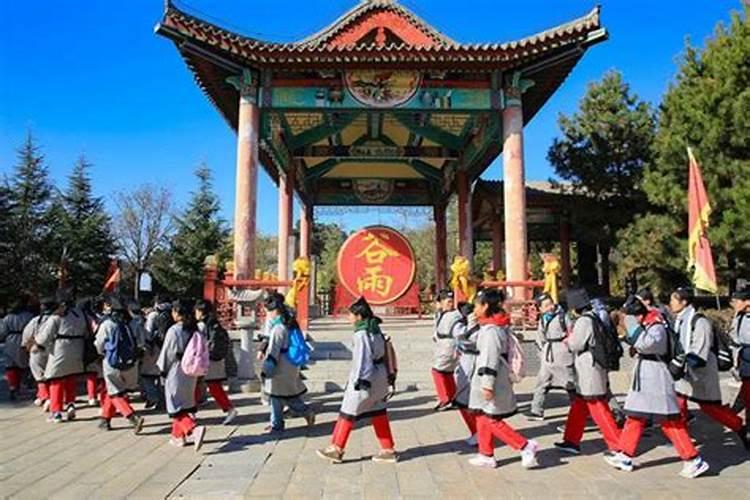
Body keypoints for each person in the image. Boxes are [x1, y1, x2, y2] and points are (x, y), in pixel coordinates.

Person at [604, 298, 709, 478]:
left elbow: (647, 345)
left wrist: (630, 326)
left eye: (630, 316)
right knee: (635, 416)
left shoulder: (657, 324)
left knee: (669, 420)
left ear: (636, 314)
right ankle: (625, 454)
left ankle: (693, 458)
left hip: (657, 377)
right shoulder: (648, 322)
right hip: (646, 377)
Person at [317, 297, 397, 464]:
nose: (349, 318)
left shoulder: (361, 334)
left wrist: (361, 381)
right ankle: (388, 449)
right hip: (381, 376)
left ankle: (337, 448)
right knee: (379, 412)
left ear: (359, 316)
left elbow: (362, 359)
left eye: (351, 314)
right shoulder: (376, 330)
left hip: (366, 378)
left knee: (347, 412)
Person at [467, 288, 539, 469]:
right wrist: (471, 323)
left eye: (476, 305)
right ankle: (486, 454)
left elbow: (489, 359)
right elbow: (471, 340)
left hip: (492, 378)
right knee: (482, 417)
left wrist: (487, 385)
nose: (474, 309)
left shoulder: (492, 330)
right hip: (490, 377)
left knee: (492, 419)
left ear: (485, 306)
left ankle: (524, 445)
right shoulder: (494, 324)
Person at [670, 287, 748, 448]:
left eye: (673, 300)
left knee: (710, 408)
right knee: (677, 405)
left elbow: (700, 351)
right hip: (685, 374)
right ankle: (682, 440)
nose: (670, 303)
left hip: (701, 373)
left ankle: (739, 426)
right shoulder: (680, 320)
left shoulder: (700, 321)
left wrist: (683, 364)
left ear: (684, 302)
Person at [555, 288, 621, 455]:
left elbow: (576, 344)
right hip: (589, 369)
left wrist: (568, 340)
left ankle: (617, 445)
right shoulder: (594, 317)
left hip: (589, 369)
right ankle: (571, 440)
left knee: (599, 408)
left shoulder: (584, 321)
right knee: (579, 406)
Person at [260, 293, 315, 433]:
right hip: (290, 363)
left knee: (281, 396)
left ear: (274, 311)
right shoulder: (289, 323)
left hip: (280, 365)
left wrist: (266, 368)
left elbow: (273, 350)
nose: (267, 314)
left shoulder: (278, 329)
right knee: (281, 395)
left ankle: (303, 412)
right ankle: (277, 423)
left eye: (268, 311)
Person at [156, 299, 206, 450]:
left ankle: (193, 429)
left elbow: (167, 353)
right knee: (184, 404)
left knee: (175, 406)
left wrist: (162, 370)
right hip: (191, 371)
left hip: (176, 369)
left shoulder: (174, 330)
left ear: (178, 313)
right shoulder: (195, 329)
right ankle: (178, 437)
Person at [95, 296, 144, 433]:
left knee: (114, 392)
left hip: (112, 362)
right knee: (116, 390)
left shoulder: (107, 324)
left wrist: (102, 354)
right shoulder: (134, 323)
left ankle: (132, 417)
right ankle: (105, 419)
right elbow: (141, 341)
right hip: (131, 363)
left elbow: (99, 343)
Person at [36, 289, 87, 423]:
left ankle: (56, 412)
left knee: (55, 380)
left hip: (60, 349)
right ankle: (70, 404)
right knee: (70, 377)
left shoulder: (56, 317)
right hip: (77, 348)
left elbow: (44, 338)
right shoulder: (79, 314)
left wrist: (37, 343)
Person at [525, 293, 575, 421]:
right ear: (540, 309)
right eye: (546, 306)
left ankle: (580, 410)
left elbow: (571, 332)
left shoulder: (563, 316)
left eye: (550, 303)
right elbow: (540, 336)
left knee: (570, 384)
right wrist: (541, 351)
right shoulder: (543, 319)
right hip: (548, 354)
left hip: (562, 353)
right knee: (541, 383)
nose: (550, 307)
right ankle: (536, 410)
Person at [195, 300, 238, 425]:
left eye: (197, 310)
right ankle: (190, 412)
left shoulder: (202, 325)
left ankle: (230, 409)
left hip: (207, 360)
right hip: (215, 359)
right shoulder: (215, 324)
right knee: (208, 386)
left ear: (201, 311)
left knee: (211, 387)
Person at [452, 301, 481, 445]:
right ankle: (477, 431)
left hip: (476, 362)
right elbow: (459, 336)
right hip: (466, 361)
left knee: (469, 400)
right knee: (464, 400)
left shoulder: (484, 325)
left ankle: (478, 432)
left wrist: (473, 324)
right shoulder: (458, 324)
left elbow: (473, 339)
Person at [22, 296, 56, 410]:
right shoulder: (59, 319)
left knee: (39, 375)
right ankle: (47, 397)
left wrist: (26, 346)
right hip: (54, 349)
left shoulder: (35, 320)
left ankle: (46, 397)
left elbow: (27, 335)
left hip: (38, 349)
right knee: (53, 375)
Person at [1, 294, 34, 400]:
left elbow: (2, 332)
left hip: (10, 341)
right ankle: (23, 384)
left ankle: (13, 386)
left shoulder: (8, 317)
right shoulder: (29, 316)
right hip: (24, 339)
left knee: (11, 365)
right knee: (23, 364)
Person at [432, 289, 461, 411]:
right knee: (447, 372)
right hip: (443, 344)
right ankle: (453, 396)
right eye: (447, 301)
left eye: (451, 301)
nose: (450, 303)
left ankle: (444, 398)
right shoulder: (441, 314)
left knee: (437, 371)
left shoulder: (455, 315)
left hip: (449, 344)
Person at [142, 295, 171, 409]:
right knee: (163, 375)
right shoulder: (171, 312)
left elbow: (148, 332)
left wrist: (147, 346)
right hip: (167, 347)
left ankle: (153, 397)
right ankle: (164, 399)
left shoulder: (153, 314)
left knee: (147, 375)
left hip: (154, 347)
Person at [79, 297, 104, 407]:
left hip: (82, 345)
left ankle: (92, 395)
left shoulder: (79, 317)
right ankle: (94, 396)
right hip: (93, 345)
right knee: (95, 372)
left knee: (90, 373)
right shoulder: (95, 317)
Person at [730, 287, 750, 428]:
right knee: (747, 393)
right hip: (743, 360)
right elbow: (734, 337)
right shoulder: (740, 316)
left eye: (737, 301)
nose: (734, 304)